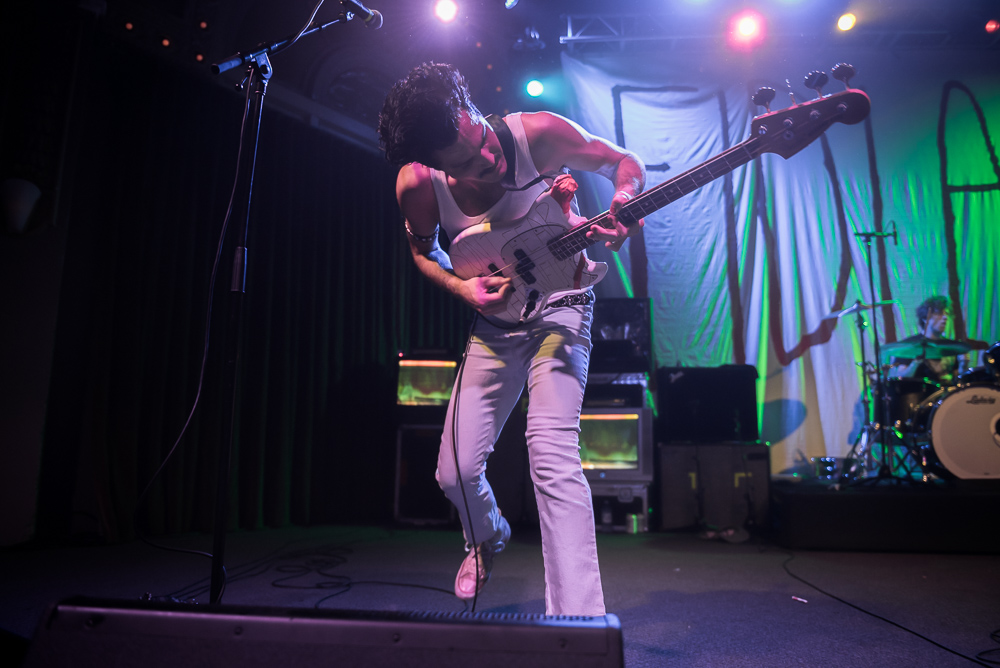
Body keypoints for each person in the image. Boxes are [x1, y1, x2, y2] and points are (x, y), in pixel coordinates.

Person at [377, 62, 645, 617]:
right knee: (454, 471)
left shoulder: (537, 134)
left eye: (478, 136)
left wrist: (623, 200)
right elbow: (423, 254)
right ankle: (487, 535)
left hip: (563, 304)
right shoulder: (417, 186)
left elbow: (624, 161)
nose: (488, 159)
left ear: (472, 108)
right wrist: (462, 287)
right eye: (466, 162)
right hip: (497, 323)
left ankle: (577, 624)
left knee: (551, 454)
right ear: (433, 166)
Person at [887, 295, 964, 385]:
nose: (945, 317)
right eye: (940, 314)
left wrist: (964, 364)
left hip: (947, 396)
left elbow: (957, 378)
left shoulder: (949, 346)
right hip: (919, 395)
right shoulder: (909, 345)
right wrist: (915, 363)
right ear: (925, 318)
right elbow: (901, 377)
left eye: (946, 314)